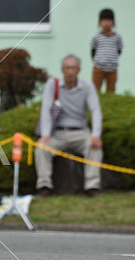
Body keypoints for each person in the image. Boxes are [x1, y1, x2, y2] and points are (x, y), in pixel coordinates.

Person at [35, 54, 103, 198]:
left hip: (81, 133)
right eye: (67, 68)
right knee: (41, 148)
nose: (70, 71)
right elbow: (45, 110)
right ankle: (44, 186)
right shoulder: (52, 85)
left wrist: (96, 135)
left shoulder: (87, 86)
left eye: (73, 68)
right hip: (57, 134)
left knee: (94, 147)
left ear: (78, 70)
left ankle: (92, 187)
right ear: (62, 70)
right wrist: (45, 135)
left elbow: (96, 110)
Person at [91, 8, 123, 93]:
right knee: (95, 90)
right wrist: (97, 60)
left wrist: (111, 59)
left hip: (112, 70)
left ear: (113, 22)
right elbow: (93, 49)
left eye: (109, 20)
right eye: (103, 20)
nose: (106, 23)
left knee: (111, 91)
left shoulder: (117, 37)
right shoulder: (96, 37)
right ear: (100, 22)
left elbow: (119, 50)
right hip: (98, 68)